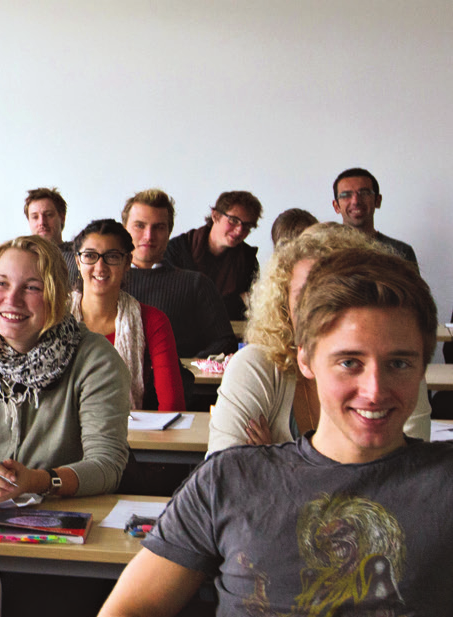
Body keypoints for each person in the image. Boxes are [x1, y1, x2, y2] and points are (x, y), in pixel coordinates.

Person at [91, 248, 453, 617]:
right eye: (349, 362)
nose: (375, 389)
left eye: (400, 363)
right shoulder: (232, 478)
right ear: (305, 359)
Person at [0, 235, 130, 501]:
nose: (12, 299)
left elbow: (106, 466)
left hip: (65, 514)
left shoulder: (96, 358)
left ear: (56, 295)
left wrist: (36, 481)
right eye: (1, 283)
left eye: (32, 288)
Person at [209, 224, 430, 454]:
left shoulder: (398, 366)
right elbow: (222, 481)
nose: (319, 309)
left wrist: (274, 463)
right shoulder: (256, 366)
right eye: (305, 296)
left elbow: (408, 478)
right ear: (283, 304)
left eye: (335, 293)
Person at [69, 221, 185, 413]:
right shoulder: (54, 315)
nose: (100, 266)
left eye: (112, 257)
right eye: (90, 256)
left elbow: (172, 406)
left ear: (126, 262)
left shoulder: (153, 320)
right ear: (78, 262)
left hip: (128, 436)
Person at [119, 189, 238, 359]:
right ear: (124, 230)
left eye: (159, 227)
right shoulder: (104, 281)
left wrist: (181, 367)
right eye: (140, 226)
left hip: (179, 380)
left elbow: (225, 342)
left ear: (169, 231)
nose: (149, 236)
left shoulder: (196, 284)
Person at [164, 189, 262, 320]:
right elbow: (173, 304)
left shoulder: (248, 259)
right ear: (215, 216)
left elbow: (249, 309)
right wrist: (236, 301)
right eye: (233, 220)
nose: (239, 231)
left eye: (247, 226)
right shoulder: (177, 250)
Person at [332, 167, 417, 265]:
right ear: (336, 206)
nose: (356, 201)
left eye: (364, 193)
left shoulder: (401, 252)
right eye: (346, 195)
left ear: (377, 201)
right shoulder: (325, 251)